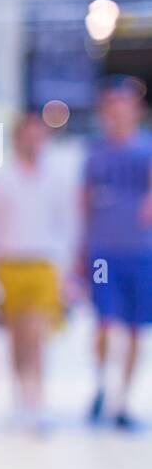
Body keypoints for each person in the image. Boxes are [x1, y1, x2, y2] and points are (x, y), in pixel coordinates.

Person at [0, 113, 75, 432]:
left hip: (43, 265)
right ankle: (20, 398)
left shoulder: (56, 177)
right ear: (17, 138)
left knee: (37, 335)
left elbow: (67, 225)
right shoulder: (3, 178)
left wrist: (66, 271)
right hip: (9, 265)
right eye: (28, 135)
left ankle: (38, 400)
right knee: (17, 337)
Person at [77, 75, 152, 430]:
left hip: (141, 253)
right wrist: (80, 249)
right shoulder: (95, 153)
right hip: (103, 253)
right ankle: (101, 386)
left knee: (136, 328)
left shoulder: (146, 150)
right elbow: (84, 202)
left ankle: (123, 399)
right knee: (104, 322)